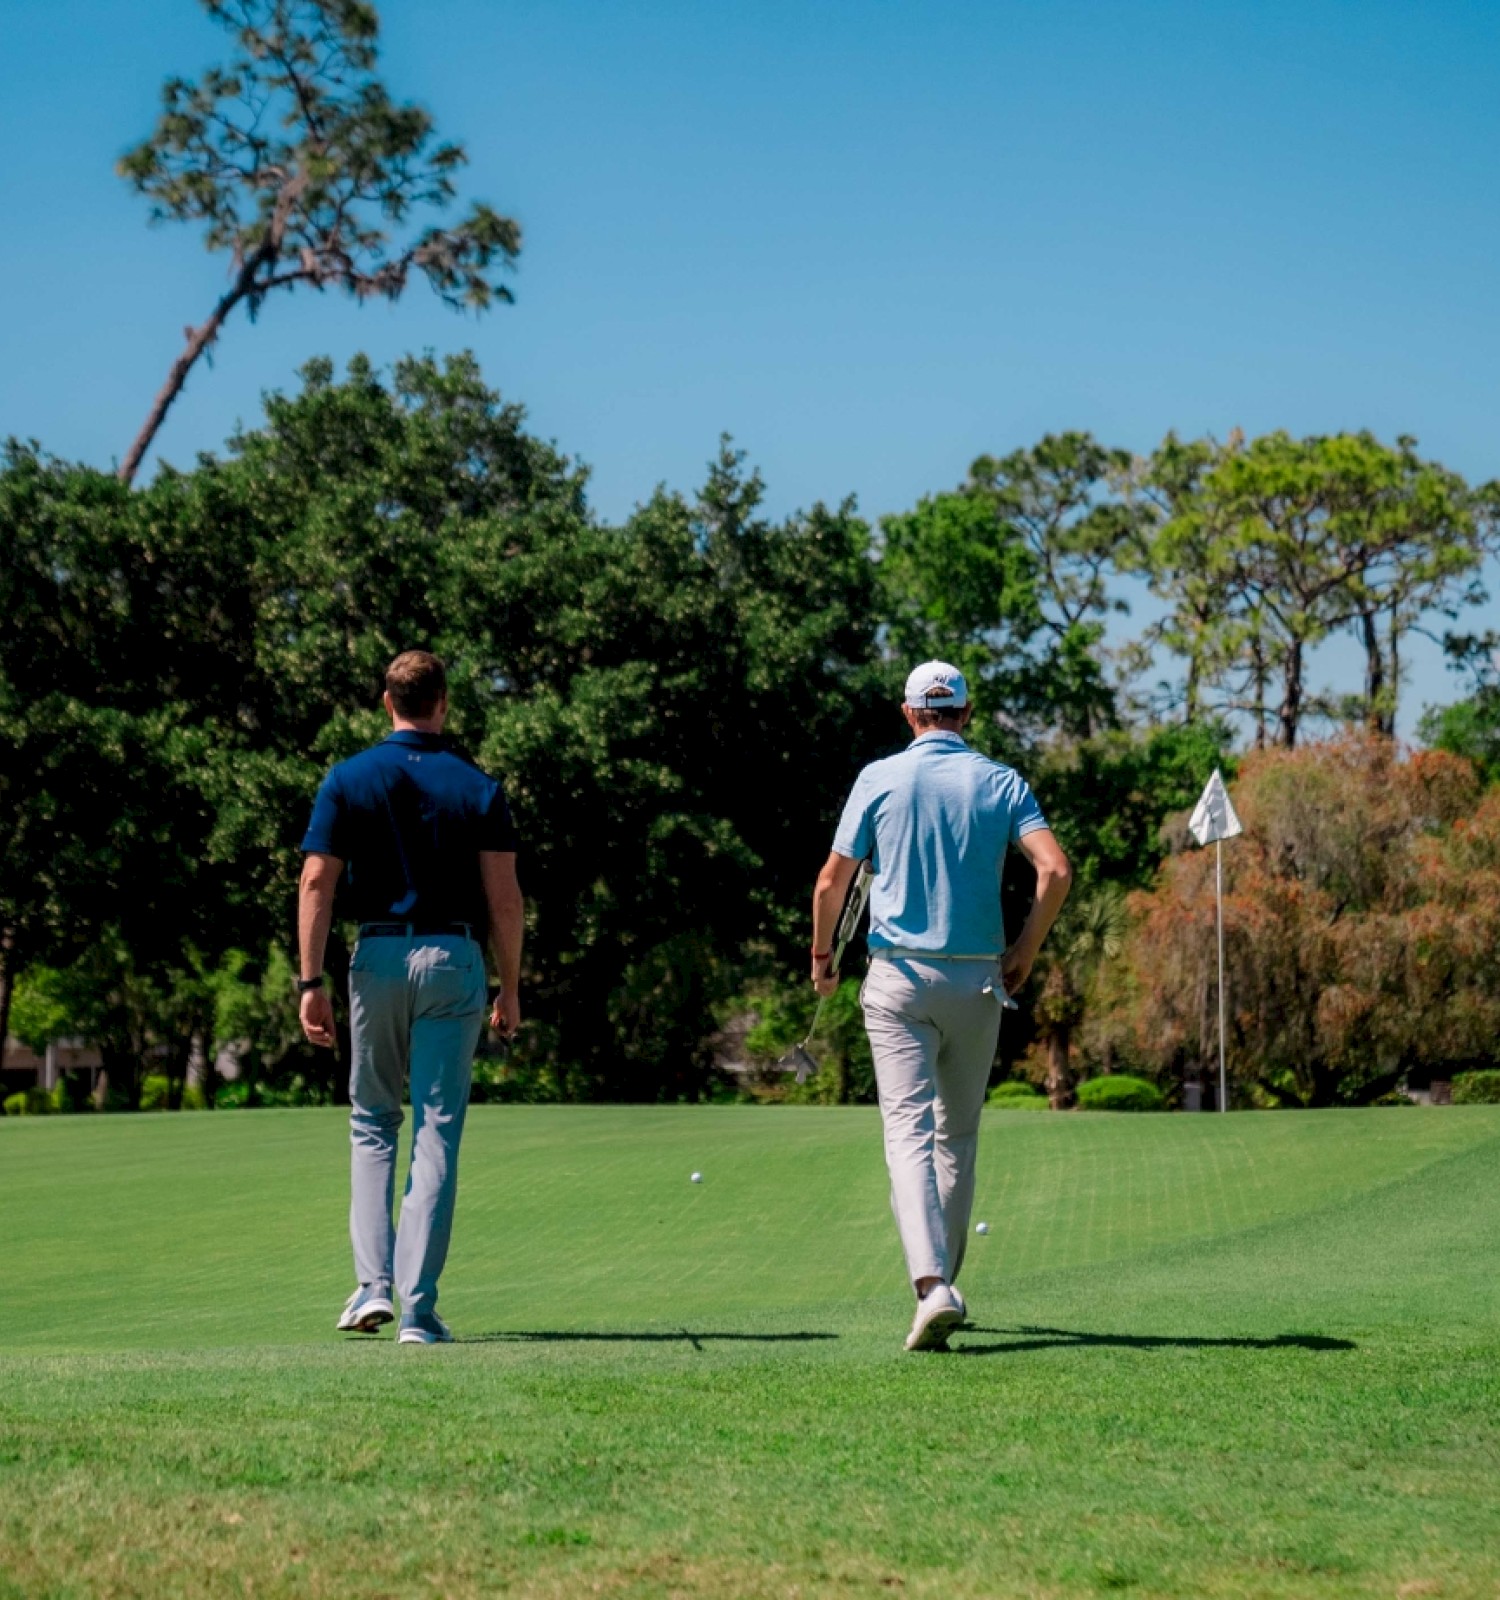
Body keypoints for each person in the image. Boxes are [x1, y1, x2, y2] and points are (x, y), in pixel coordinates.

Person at [811, 661, 1071, 1351]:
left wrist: (821, 958)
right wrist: (1026, 949)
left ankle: (932, 1288)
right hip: (980, 982)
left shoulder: (879, 777)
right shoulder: (1001, 780)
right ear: (967, 712)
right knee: (956, 1137)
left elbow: (831, 882)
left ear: (908, 714)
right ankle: (944, 1285)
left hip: (899, 979)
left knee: (907, 1133)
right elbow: (1055, 870)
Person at [298, 650, 524, 1345]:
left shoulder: (349, 778)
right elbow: (505, 900)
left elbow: (316, 883)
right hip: (454, 957)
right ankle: (418, 1311)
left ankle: (372, 1287)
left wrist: (310, 982)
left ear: (386, 702)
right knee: (435, 1130)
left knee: (373, 1122)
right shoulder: (479, 787)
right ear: (444, 703)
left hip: (377, 955)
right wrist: (509, 985)